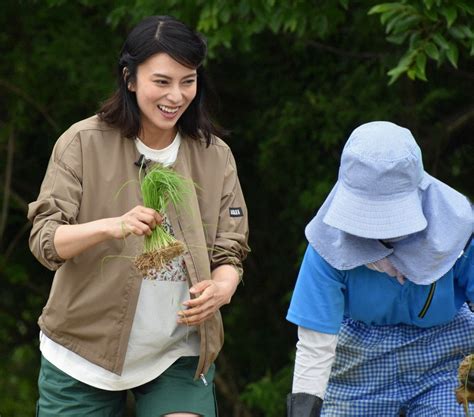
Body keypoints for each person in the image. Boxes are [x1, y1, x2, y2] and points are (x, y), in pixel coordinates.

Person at [28, 15, 249, 417]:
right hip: (81, 354)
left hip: (176, 352)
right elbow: (46, 240)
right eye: (162, 81)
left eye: (188, 80)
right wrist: (113, 225)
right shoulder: (81, 143)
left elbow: (230, 250)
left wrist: (223, 287)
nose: (177, 95)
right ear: (130, 79)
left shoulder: (215, 156)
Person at [286, 121, 473, 417]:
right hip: (360, 360)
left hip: (446, 357)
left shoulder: (457, 229)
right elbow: (315, 343)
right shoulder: (327, 243)